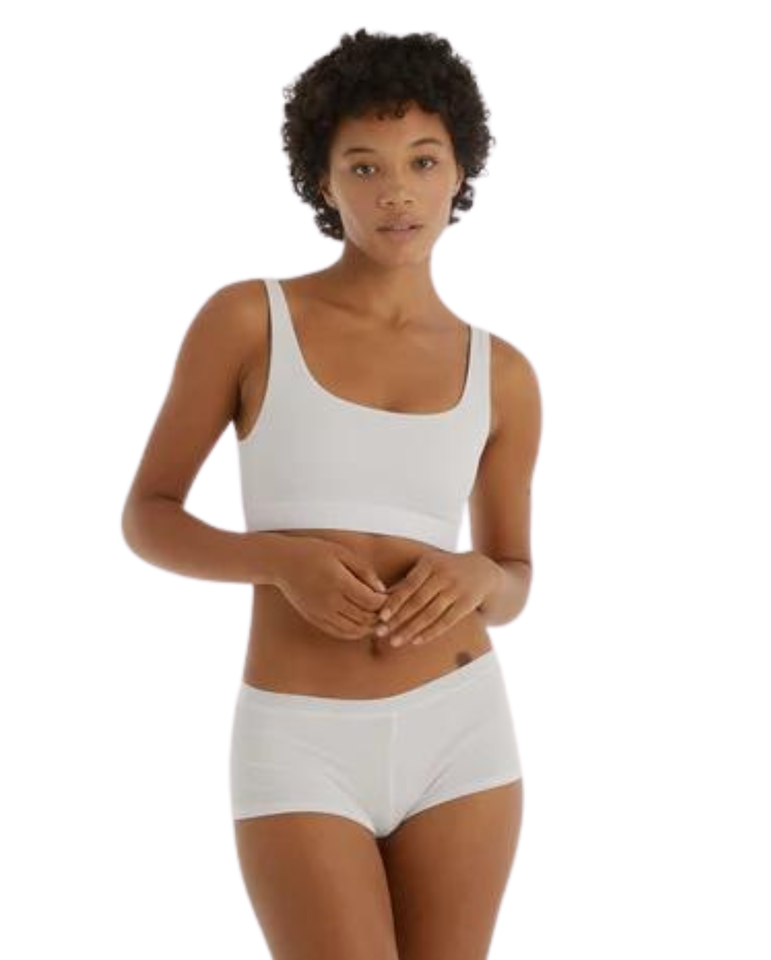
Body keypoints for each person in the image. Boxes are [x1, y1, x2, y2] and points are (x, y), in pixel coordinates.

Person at [122, 27, 542, 960]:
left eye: (423, 160)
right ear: (322, 181)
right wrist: (276, 561)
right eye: (363, 166)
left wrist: (481, 577)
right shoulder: (249, 319)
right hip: (300, 738)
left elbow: (515, 575)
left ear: (460, 171)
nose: (397, 191)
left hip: (462, 733)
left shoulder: (503, 374)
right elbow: (147, 516)